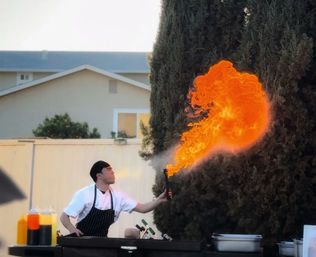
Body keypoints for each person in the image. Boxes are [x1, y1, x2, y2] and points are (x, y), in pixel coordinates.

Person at [60, 160, 170, 237]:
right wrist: (72, 229)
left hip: (103, 244)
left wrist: (159, 200)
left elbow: (143, 208)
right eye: (108, 169)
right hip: (81, 244)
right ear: (99, 176)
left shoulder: (118, 196)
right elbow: (64, 217)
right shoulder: (84, 194)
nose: (113, 172)